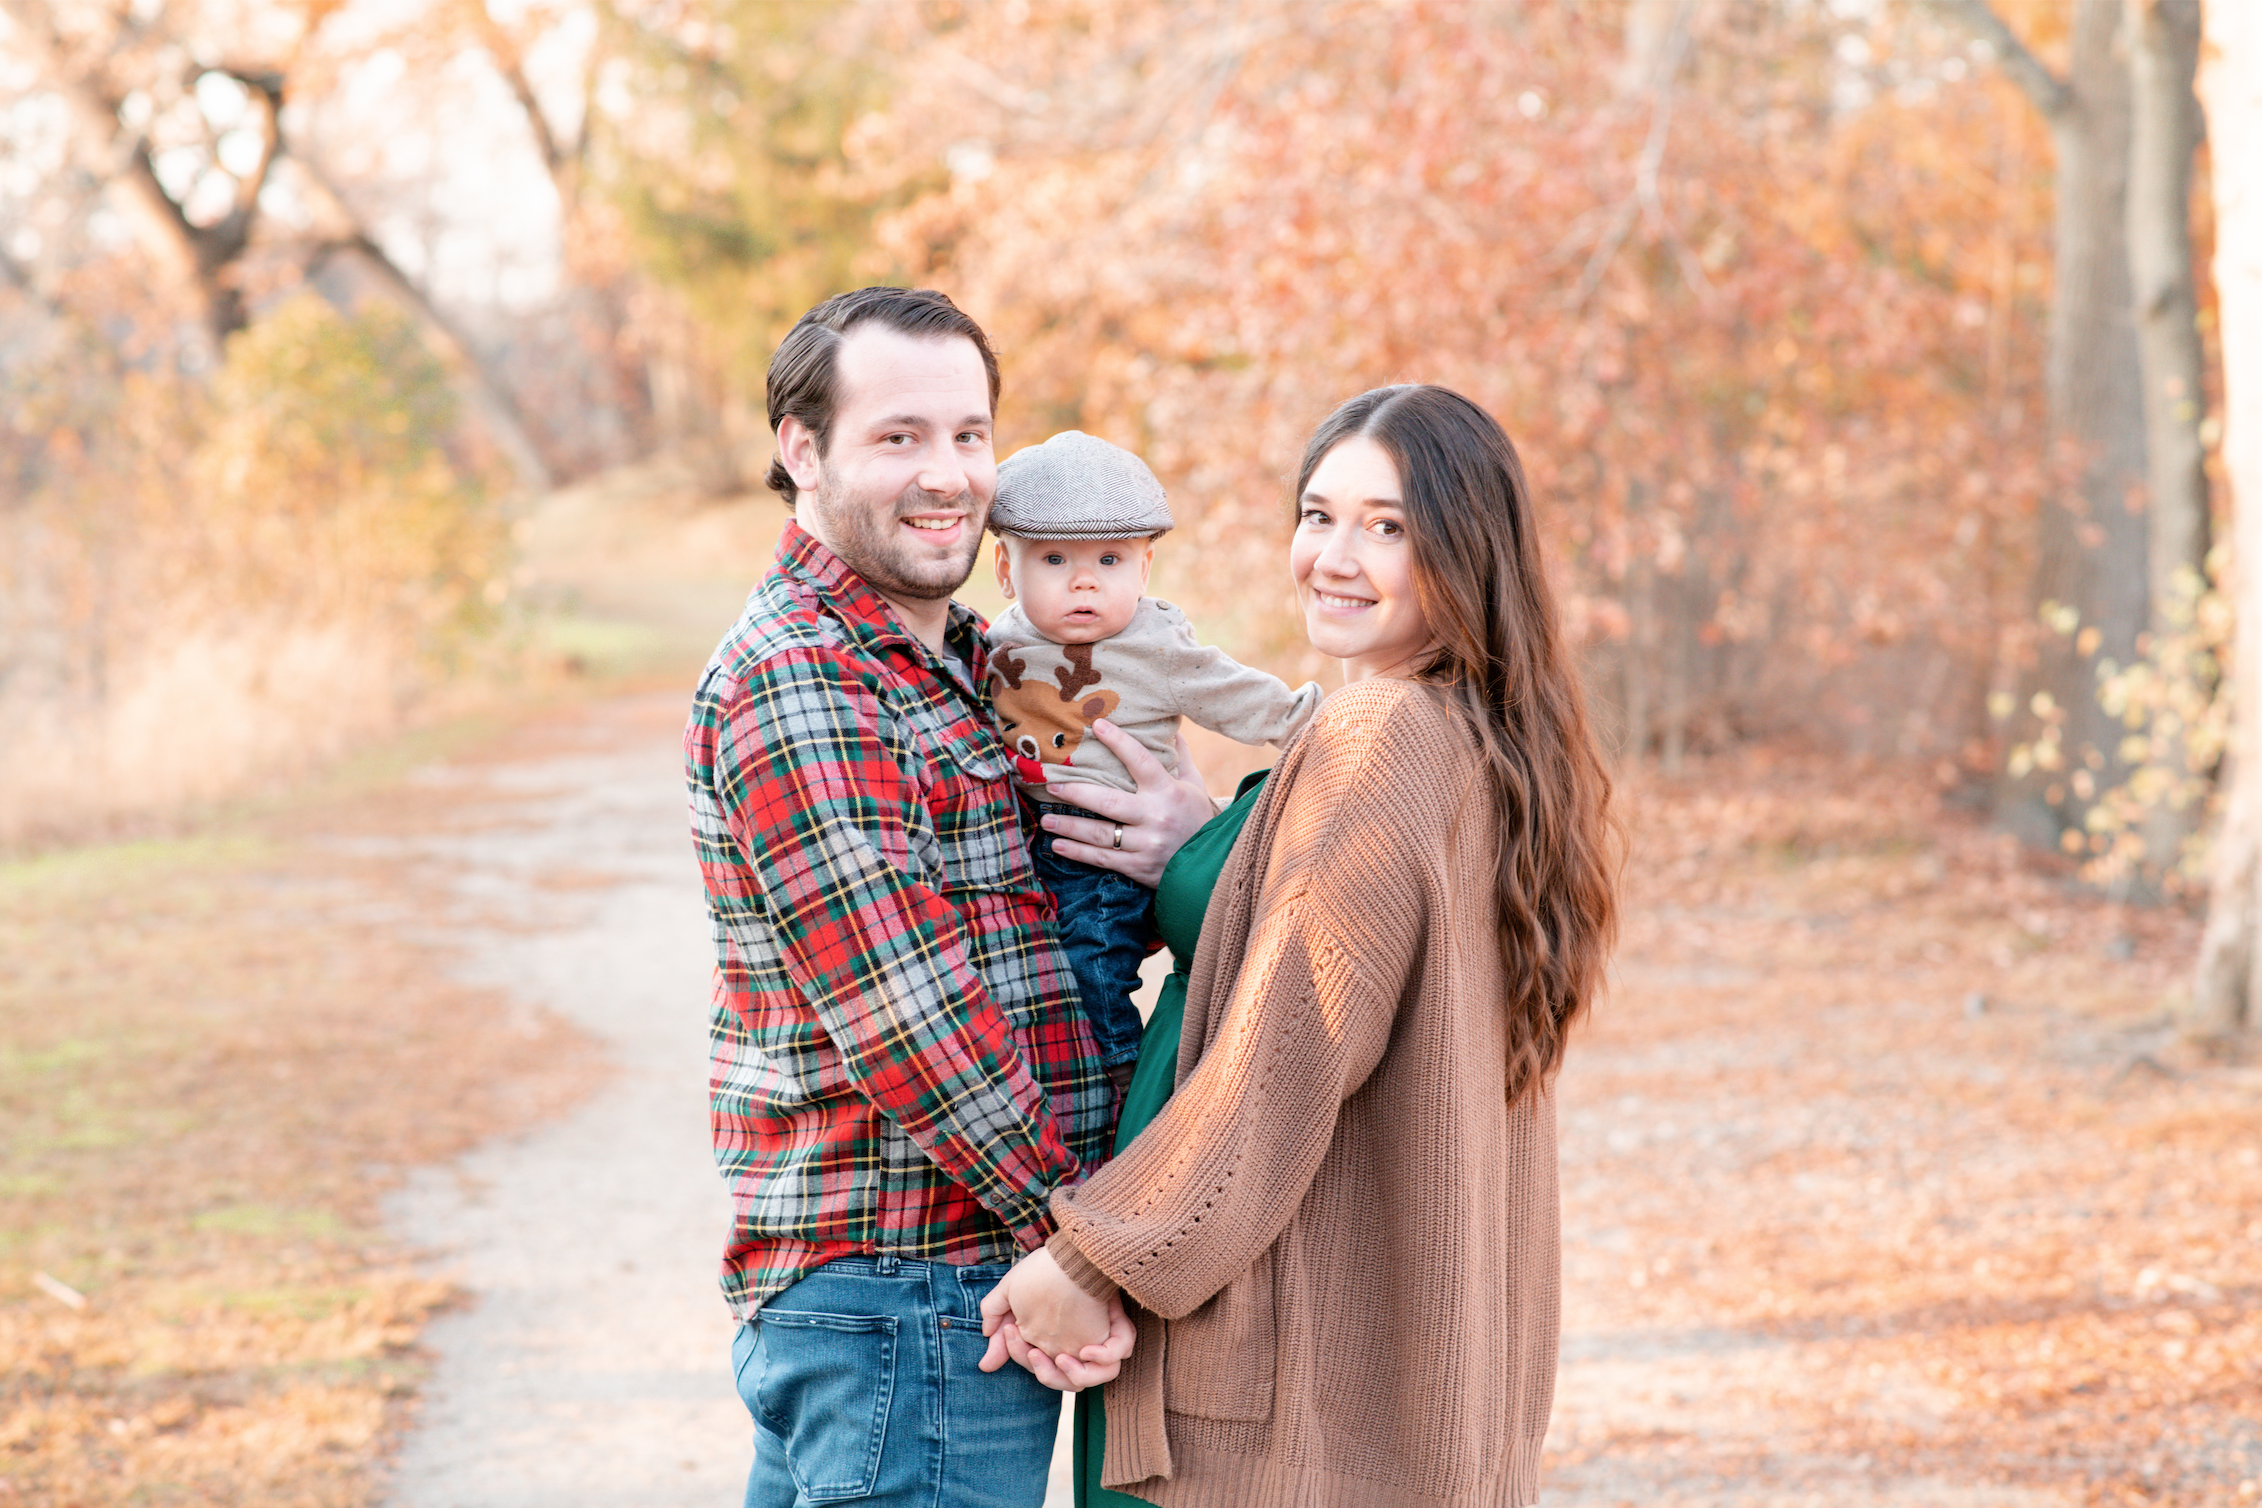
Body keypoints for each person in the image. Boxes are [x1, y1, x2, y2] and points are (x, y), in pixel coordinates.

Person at [978, 384, 1621, 1508]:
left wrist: (1092, 1259)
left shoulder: (1376, 735)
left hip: (1278, 1393)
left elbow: (1291, 1047)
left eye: (1387, 526)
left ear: (1465, 551)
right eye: (1317, 514)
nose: (1334, 554)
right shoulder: (1479, 734)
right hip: (1370, 1375)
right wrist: (1209, 850)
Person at [683, 286, 1214, 1508]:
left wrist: (1181, 834)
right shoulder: (800, 679)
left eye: (970, 435)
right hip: (909, 1298)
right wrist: (1092, 1246)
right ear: (801, 449)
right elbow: (913, 1021)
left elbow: (1105, 822)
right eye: (900, 436)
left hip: (927, 1298)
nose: (949, 475)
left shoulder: (972, 659)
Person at [984, 429, 1322, 1095]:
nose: (1083, 580)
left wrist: (1308, 723)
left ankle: (1112, 1074)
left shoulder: (1155, 646)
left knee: (1091, 963)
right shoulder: (995, 642)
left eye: (1110, 560)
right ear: (1004, 570)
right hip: (1024, 844)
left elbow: (1234, 694)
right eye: (1053, 559)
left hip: (1106, 863)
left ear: (1143, 569)